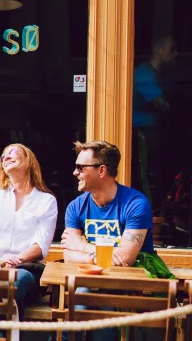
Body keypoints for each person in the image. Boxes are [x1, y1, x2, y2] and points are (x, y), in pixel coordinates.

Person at [60, 140, 153, 341]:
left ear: (101, 170)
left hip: (131, 288)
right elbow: (68, 255)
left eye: (80, 167)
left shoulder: (136, 204)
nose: (75, 173)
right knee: (89, 287)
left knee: (89, 290)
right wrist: (98, 257)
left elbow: (126, 259)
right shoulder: (76, 206)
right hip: (95, 284)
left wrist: (83, 246)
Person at [0, 144, 58, 321]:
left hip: (25, 269)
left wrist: (15, 260)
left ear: (28, 161)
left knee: (13, 283)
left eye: (12, 153)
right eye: (3, 156)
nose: (6, 157)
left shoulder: (46, 201)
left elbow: (40, 246)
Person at [132, 35, 177, 208]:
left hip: (149, 128)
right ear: (159, 50)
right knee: (146, 172)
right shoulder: (144, 74)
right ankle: (148, 211)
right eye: (172, 49)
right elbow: (160, 104)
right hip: (142, 129)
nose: (175, 54)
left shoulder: (153, 74)